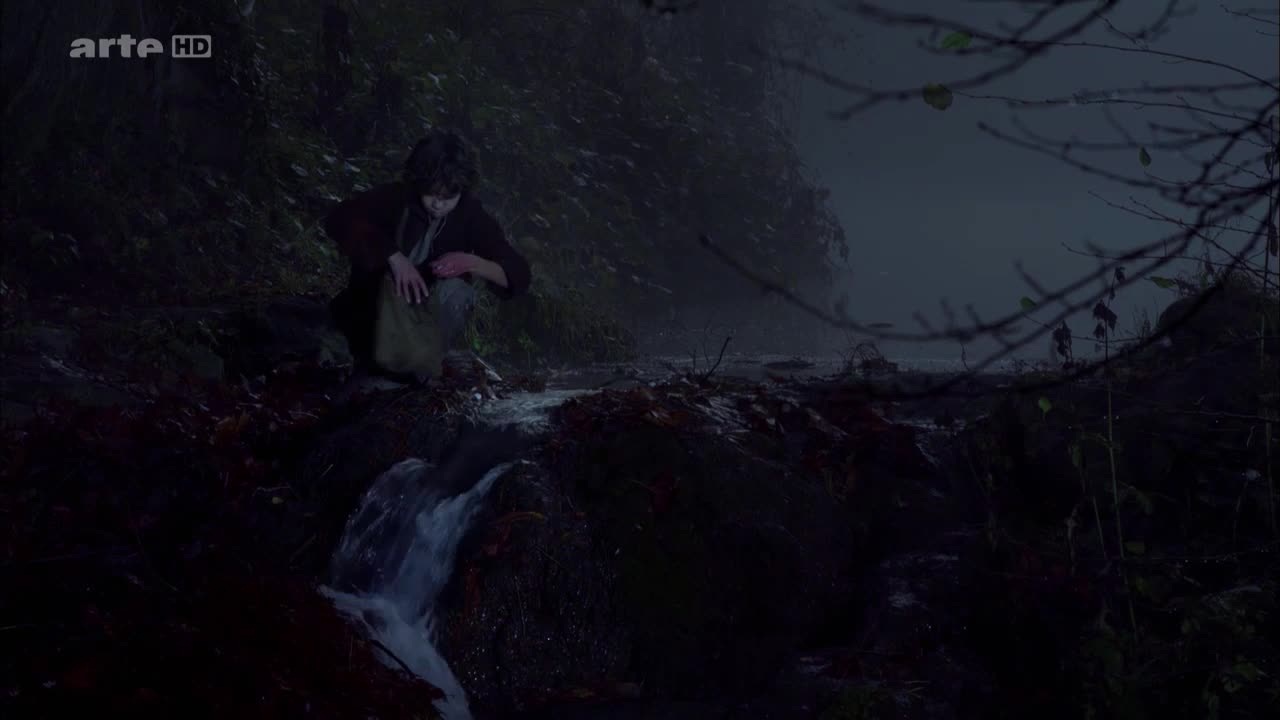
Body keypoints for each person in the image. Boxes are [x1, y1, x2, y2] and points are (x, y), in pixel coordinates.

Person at [325, 130, 531, 380]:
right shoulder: (396, 198)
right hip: (374, 311)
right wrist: (393, 257)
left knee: (458, 291)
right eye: (432, 194)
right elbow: (339, 218)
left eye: (448, 197)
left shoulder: (469, 215)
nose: (438, 204)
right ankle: (374, 361)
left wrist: (473, 262)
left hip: (425, 320)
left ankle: (422, 366)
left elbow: (519, 273)